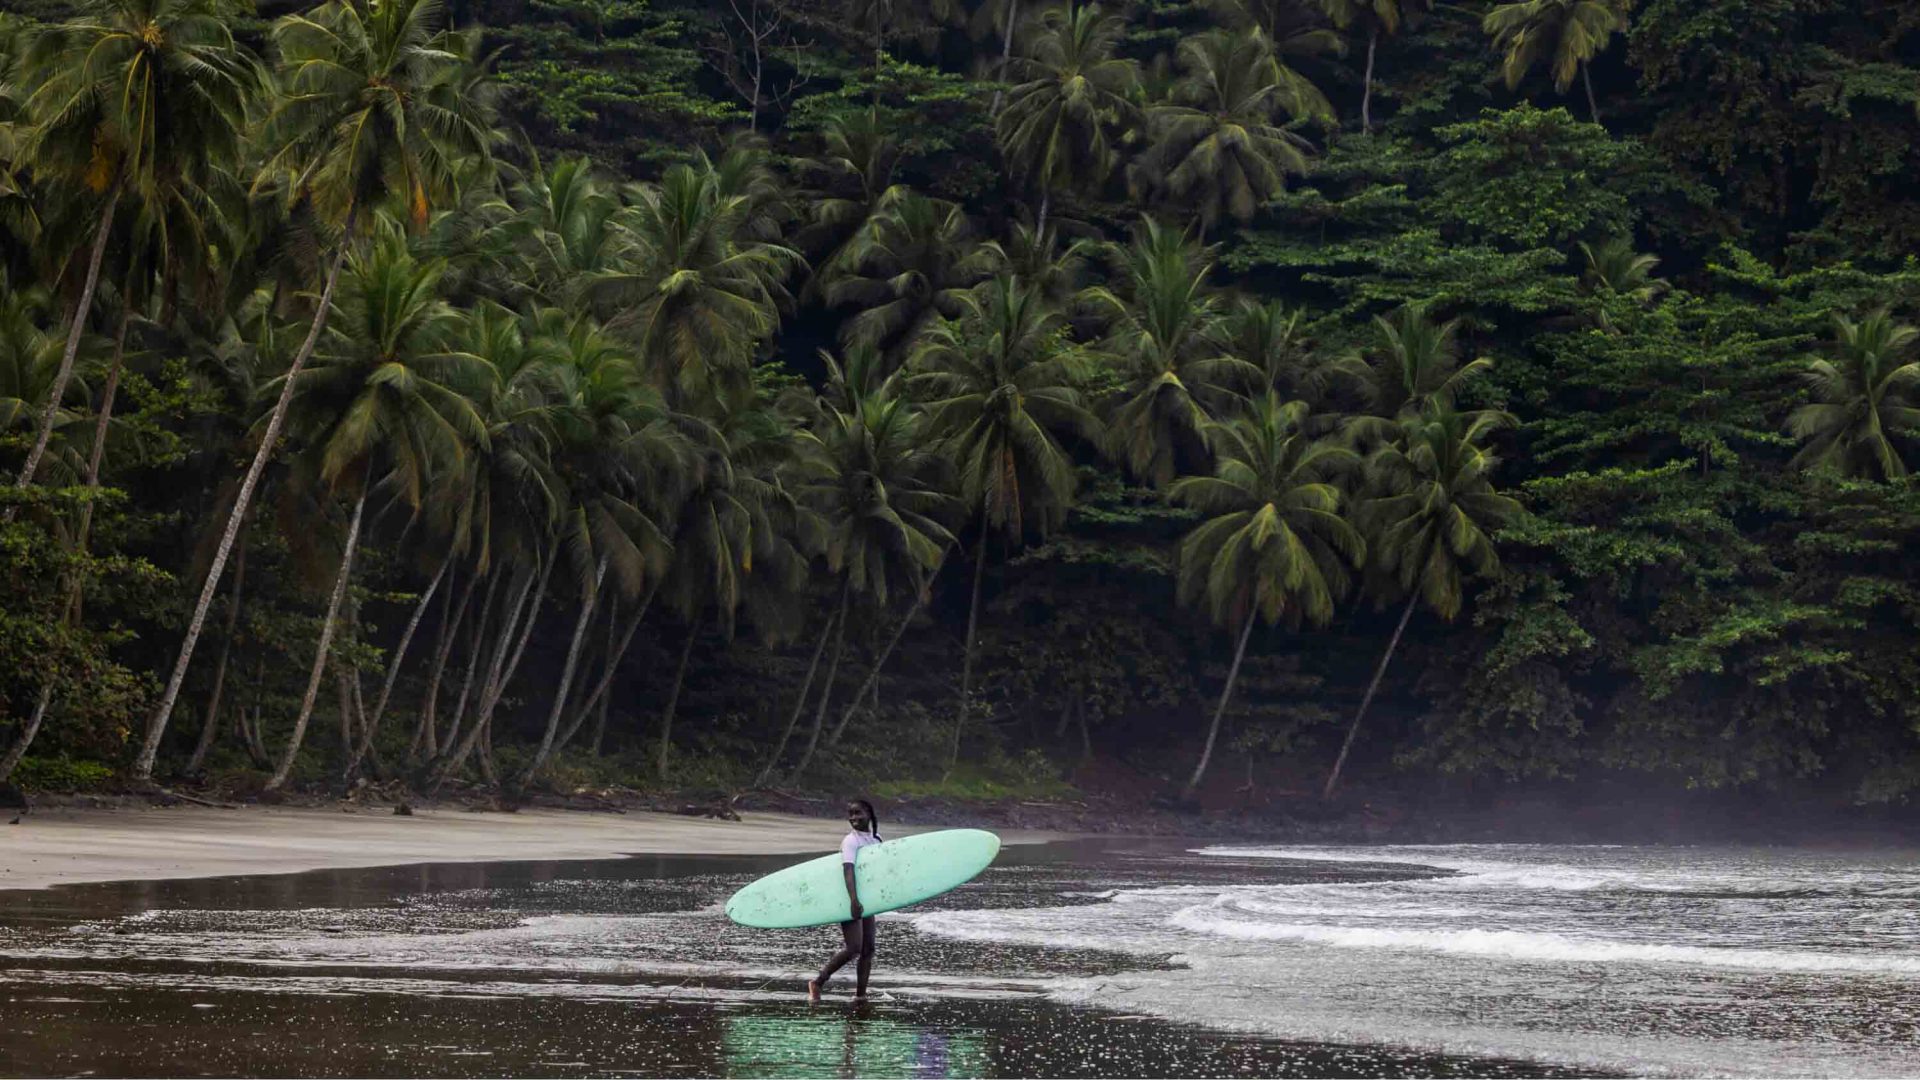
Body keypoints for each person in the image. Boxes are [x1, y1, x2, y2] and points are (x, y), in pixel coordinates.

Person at [808, 798, 882, 1002]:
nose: (854, 818)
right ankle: (818, 982)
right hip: (849, 897)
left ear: (869, 813)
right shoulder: (851, 841)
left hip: (867, 899)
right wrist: (853, 900)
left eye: (858, 813)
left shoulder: (876, 839)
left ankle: (860, 995)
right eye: (851, 814)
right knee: (854, 948)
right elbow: (848, 871)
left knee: (869, 949)